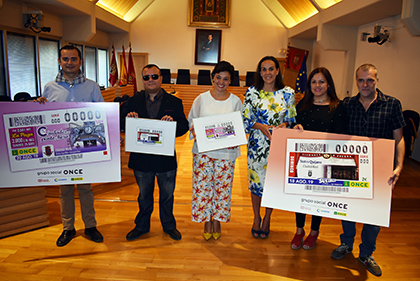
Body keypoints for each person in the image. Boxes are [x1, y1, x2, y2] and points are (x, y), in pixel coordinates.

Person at [330, 64, 405, 277]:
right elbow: (336, 133)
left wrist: (399, 166)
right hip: (351, 168)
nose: (365, 84)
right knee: (348, 209)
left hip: (380, 170)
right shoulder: (347, 105)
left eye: (369, 80)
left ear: (377, 80)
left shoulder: (392, 105)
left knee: (374, 215)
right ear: (356, 81)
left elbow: (399, 139)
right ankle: (346, 244)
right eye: (361, 80)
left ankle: (366, 253)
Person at [37, 44, 104, 247]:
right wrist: (39, 105)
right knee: (64, 190)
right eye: (65, 59)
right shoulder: (49, 88)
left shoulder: (92, 86)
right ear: (59, 61)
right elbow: (44, 119)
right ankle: (68, 228)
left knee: (85, 189)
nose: (69, 63)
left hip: (85, 147)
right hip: (61, 149)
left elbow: (102, 115)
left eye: (73, 59)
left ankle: (90, 226)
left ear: (80, 61)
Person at [120, 64, 189, 241]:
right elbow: (121, 124)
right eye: (146, 77)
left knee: (167, 196)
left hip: (165, 160)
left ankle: (169, 225)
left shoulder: (175, 102)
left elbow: (184, 127)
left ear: (161, 78)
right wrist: (128, 120)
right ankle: (141, 226)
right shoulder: (132, 101)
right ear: (142, 80)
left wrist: (171, 125)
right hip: (141, 160)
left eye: (154, 76)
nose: (150, 80)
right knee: (144, 196)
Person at [291, 67, 346, 250]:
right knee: (301, 197)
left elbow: (342, 134)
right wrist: (295, 126)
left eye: (321, 81)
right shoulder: (302, 105)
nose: (317, 85)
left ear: (328, 84)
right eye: (314, 82)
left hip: (325, 161)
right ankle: (299, 231)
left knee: (317, 198)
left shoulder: (338, 106)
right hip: (304, 160)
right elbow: (293, 126)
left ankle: (314, 232)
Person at [243, 56, 297, 239]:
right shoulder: (251, 92)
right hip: (257, 145)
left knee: (271, 183)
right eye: (264, 69)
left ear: (277, 71)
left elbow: (292, 119)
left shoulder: (288, 92)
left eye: (271, 69)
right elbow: (245, 120)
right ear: (260, 72)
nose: (268, 73)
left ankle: (267, 218)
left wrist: (284, 126)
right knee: (255, 182)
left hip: (278, 145)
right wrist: (260, 126)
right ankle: (256, 218)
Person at [188, 61, 243, 240]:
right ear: (212, 78)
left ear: (230, 81)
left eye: (226, 79)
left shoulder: (236, 102)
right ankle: (206, 219)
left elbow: (239, 126)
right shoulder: (201, 99)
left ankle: (217, 219)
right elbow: (192, 120)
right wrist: (194, 130)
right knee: (203, 188)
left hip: (225, 153)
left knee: (222, 189)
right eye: (218, 77)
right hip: (203, 152)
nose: (221, 82)